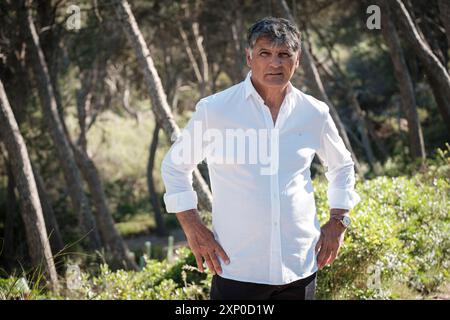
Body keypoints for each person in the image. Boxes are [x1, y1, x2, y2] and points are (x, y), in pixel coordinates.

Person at [161, 17, 360, 300]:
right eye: (265, 53)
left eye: (284, 55)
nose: (275, 64)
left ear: (297, 59)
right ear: (249, 57)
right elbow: (174, 167)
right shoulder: (215, 110)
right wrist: (193, 227)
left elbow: (342, 166)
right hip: (237, 269)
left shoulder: (314, 112)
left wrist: (338, 221)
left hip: (300, 265)